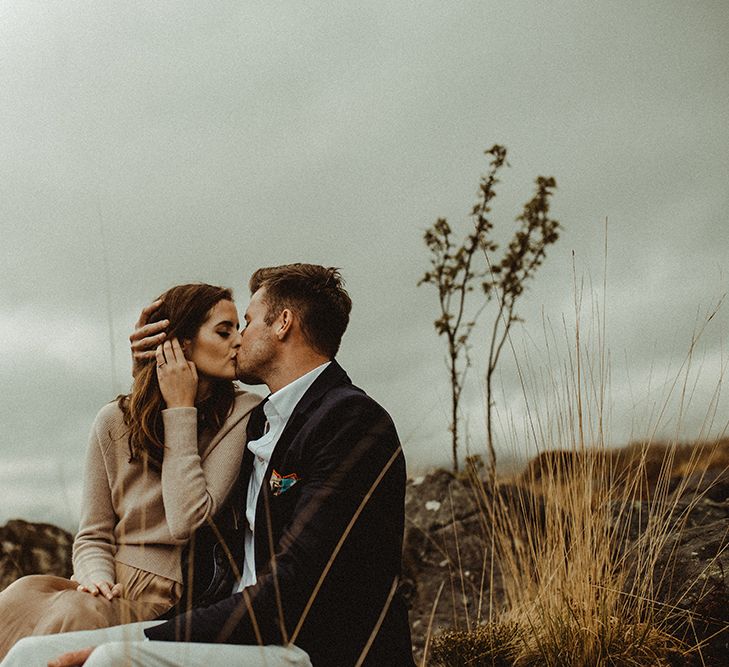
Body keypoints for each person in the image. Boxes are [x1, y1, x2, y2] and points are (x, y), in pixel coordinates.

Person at [3, 264, 415, 667]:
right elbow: (137, 486)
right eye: (228, 329)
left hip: (300, 642)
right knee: (29, 653)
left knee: (110, 658)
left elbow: (292, 587)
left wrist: (155, 634)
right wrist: (149, 374)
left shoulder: (344, 419)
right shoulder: (270, 419)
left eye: (247, 322)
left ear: (283, 323)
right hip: (230, 621)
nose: (240, 338)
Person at [0, 283, 262, 661]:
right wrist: (94, 578)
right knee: (20, 596)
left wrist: (180, 410)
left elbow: (186, 518)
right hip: (107, 587)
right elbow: (93, 533)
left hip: (167, 594)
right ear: (181, 343)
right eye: (224, 331)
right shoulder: (113, 419)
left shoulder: (242, 411)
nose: (238, 341)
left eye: (239, 328)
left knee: (73, 616)